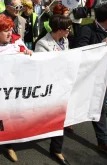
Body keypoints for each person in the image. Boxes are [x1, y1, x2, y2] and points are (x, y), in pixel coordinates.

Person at [0, 15, 32, 163]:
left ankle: (9, 146)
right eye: (5, 31)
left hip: (13, 89)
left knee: (11, 118)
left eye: (10, 29)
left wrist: (28, 54)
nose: (9, 33)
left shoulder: (17, 41)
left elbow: (27, 55)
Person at [75, 4, 107, 155]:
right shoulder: (86, 30)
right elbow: (80, 52)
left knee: (99, 106)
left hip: (100, 77)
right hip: (83, 77)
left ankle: (103, 142)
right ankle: (60, 125)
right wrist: (103, 46)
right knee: (70, 103)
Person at [34, 14, 72, 165]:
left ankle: (56, 149)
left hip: (62, 86)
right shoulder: (42, 44)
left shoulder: (65, 40)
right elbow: (41, 67)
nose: (70, 31)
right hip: (47, 86)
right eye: (68, 28)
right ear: (59, 29)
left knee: (60, 117)